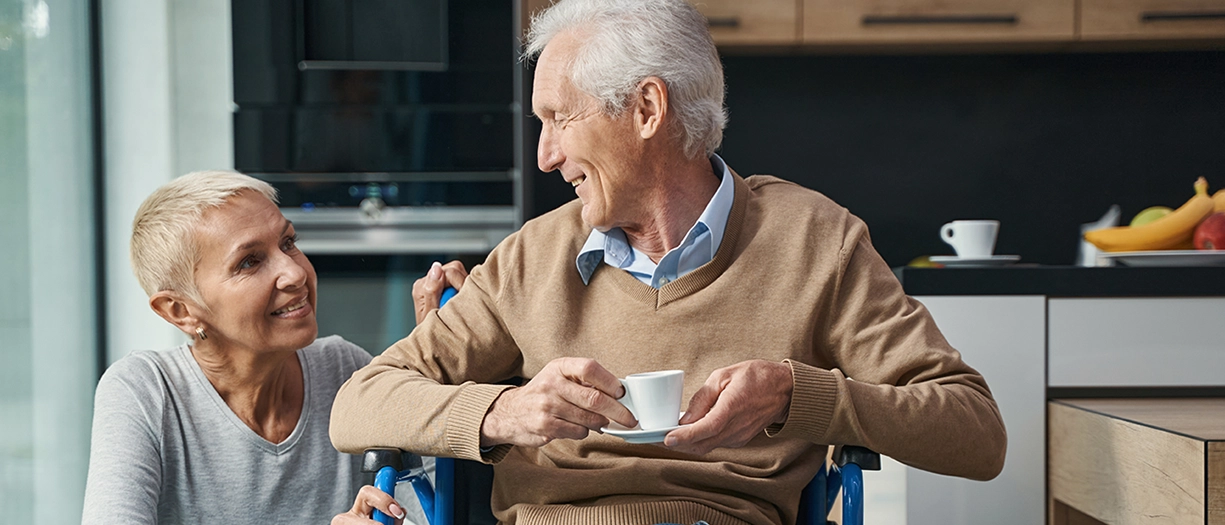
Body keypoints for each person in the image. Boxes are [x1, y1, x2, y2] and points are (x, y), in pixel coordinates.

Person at [329, 1, 1007, 524]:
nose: (544, 155)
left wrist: (796, 396)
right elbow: (356, 406)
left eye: (560, 118)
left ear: (646, 109)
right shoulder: (531, 259)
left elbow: (975, 432)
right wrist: (508, 410)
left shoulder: (815, 243)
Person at [82, 171, 445, 524]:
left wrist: (436, 353)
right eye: (250, 261)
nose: (296, 273)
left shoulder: (343, 369)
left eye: (288, 242)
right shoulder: (145, 392)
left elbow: (438, 510)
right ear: (180, 311)